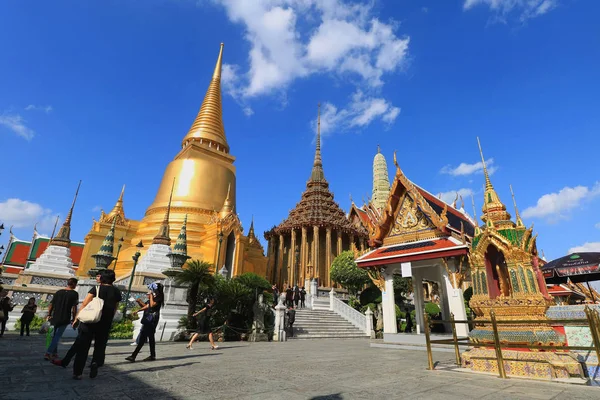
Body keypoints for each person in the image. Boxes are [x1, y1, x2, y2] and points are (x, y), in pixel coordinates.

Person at [72, 269, 122, 380]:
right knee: (100, 346)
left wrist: (76, 317)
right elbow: (115, 307)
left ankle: (78, 372)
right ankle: (95, 362)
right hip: (105, 322)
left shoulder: (96, 288)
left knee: (83, 347)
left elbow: (85, 303)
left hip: (90, 321)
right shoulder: (116, 291)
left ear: (102, 278)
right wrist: (109, 318)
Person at [126, 282, 164, 362]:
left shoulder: (159, 297)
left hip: (151, 320)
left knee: (144, 337)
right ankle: (151, 355)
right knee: (150, 338)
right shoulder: (155, 296)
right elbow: (147, 306)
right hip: (148, 319)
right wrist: (138, 309)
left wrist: (150, 296)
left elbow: (152, 304)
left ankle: (134, 356)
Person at [45, 278, 79, 360]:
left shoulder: (58, 292)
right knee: (57, 336)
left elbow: (51, 304)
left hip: (55, 316)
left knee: (54, 336)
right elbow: (74, 308)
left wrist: (49, 314)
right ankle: (48, 352)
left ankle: (54, 353)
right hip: (65, 317)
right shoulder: (74, 294)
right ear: (74, 284)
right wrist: (74, 318)